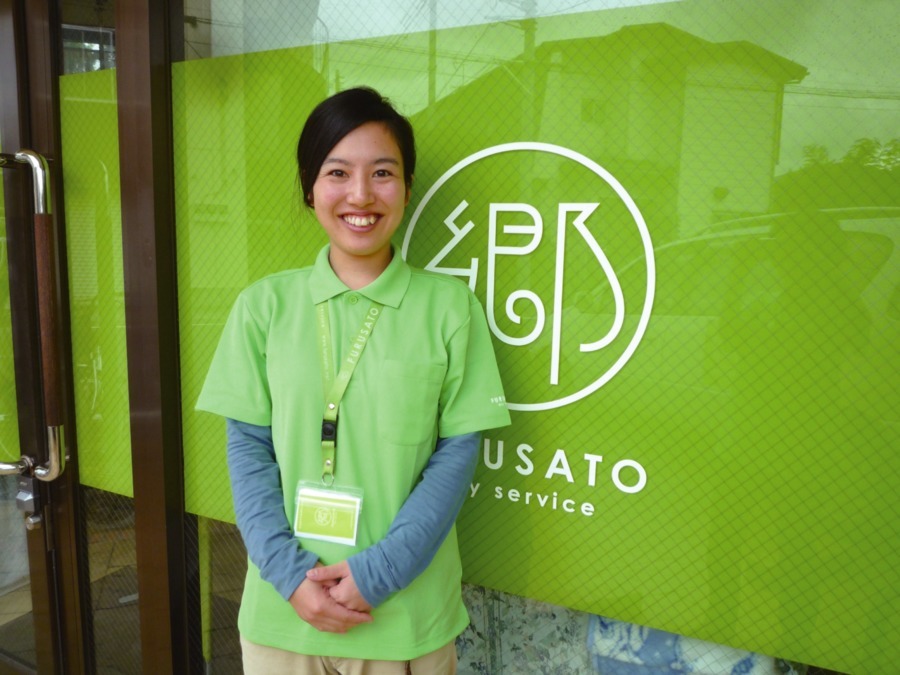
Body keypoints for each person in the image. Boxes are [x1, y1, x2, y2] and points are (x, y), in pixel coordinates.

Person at [197, 86, 510, 674]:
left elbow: (457, 453)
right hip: (282, 616)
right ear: (309, 188)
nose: (361, 195)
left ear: (408, 188)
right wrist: (290, 575)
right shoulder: (264, 306)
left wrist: (379, 573)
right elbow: (248, 450)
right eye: (337, 172)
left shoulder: (450, 309)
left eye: (383, 173)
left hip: (403, 620)